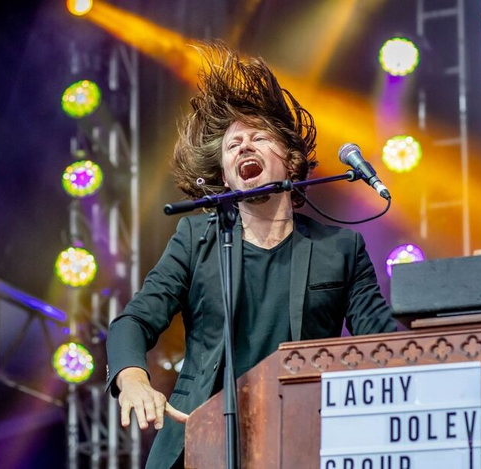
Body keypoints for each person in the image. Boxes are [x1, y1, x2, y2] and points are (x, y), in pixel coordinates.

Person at [105, 43, 397, 469]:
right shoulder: (195, 238)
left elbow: (381, 341)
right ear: (224, 177)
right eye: (233, 145)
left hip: (301, 441)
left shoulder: (340, 249)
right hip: (197, 441)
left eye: (259, 137)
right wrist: (131, 378)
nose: (244, 146)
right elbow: (135, 320)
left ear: (291, 162)